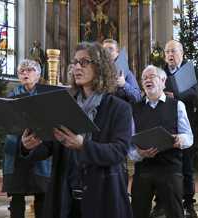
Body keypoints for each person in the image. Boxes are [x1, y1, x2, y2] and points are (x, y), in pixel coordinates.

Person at [21, 42, 133, 218]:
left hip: (103, 196)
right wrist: (29, 146)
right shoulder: (64, 103)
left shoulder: (119, 108)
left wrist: (83, 146)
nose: (77, 67)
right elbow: (50, 145)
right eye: (75, 62)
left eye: (84, 62)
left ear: (100, 66)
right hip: (65, 196)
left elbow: (119, 151)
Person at [129, 65, 194, 218]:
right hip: (144, 168)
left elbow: (189, 137)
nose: (147, 80)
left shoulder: (177, 105)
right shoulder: (134, 109)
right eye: (144, 78)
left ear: (163, 81)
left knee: (175, 213)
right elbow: (130, 145)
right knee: (137, 211)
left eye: (151, 76)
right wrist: (139, 153)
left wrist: (180, 139)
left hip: (170, 168)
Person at [150, 40, 198, 218]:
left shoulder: (189, 70)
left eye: (174, 51)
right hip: (164, 125)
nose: (170, 55)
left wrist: (175, 96)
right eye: (167, 52)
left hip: (185, 124)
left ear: (182, 53)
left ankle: (189, 204)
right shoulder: (159, 72)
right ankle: (161, 203)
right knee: (161, 163)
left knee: (187, 166)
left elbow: (195, 92)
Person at [2, 59, 51, 218]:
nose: (25, 73)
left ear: (38, 74)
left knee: (41, 194)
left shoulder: (46, 95)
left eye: (29, 70)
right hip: (16, 148)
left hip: (39, 148)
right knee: (17, 195)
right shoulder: (11, 96)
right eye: (21, 71)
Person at [102, 38, 141, 103]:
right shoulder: (96, 71)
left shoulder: (126, 72)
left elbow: (138, 97)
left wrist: (124, 84)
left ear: (118, 53)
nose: (107, 52)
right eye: (104, 50)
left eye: (111, 49)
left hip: (120, 110)